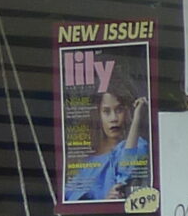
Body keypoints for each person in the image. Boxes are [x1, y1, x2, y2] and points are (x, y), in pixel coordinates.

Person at [65, 72, 151, 204]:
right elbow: (71, 199)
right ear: (98, 114)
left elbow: (127, 168)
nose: (114, 118)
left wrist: (137, 119)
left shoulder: (137, 145)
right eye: (106, 111)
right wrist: (103, 203)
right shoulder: (85, 162)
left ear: (128, 111)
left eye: (119, 110)